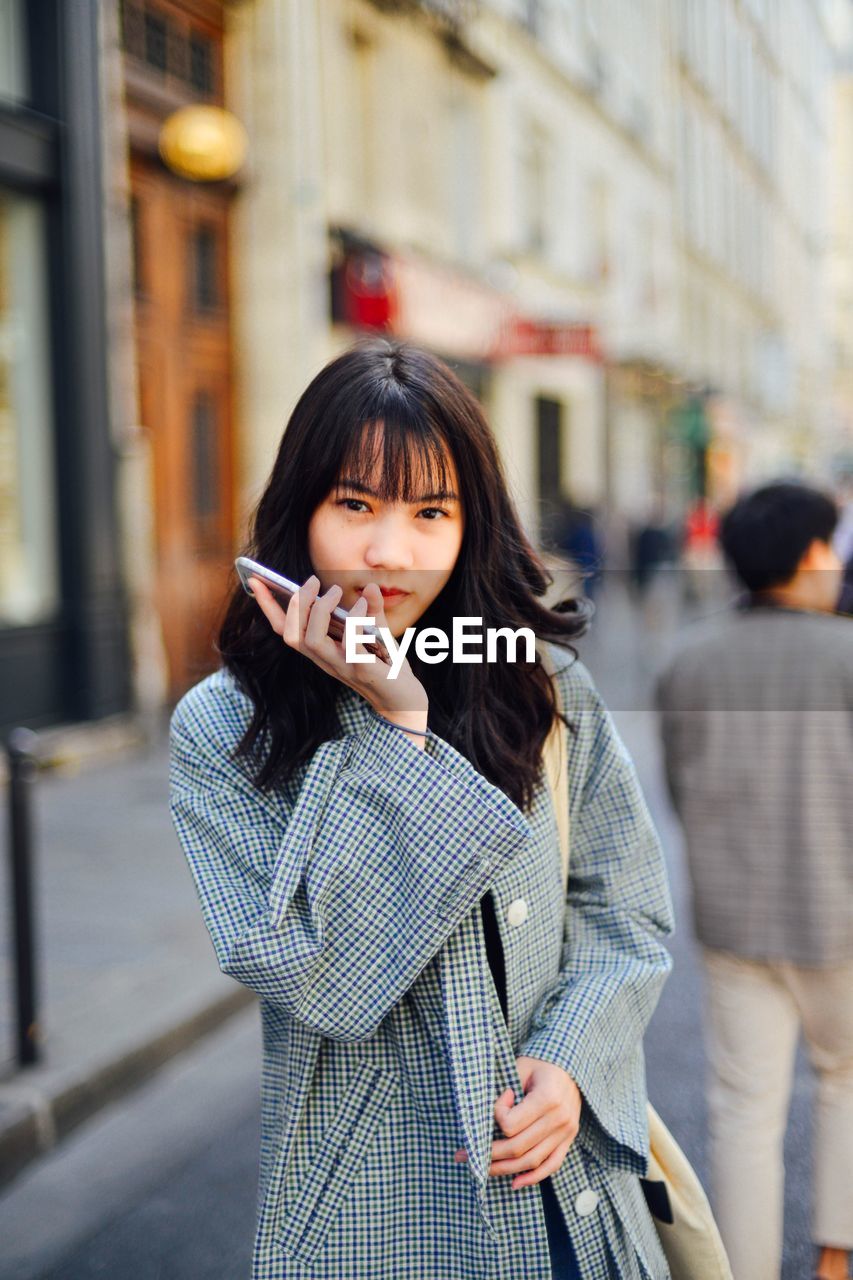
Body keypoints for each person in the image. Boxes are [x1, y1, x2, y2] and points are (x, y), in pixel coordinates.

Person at [169, 340, 675, 1280]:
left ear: (470, 524)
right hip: (379, 1206)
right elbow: (321, 980)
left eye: (429, 512)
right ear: (300, 509)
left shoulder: (540, 684)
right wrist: (394, 722)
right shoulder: (224, 727)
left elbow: (623, 913)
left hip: (562, 1193)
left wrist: (569, 1064)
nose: (387, 551)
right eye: (354, 504)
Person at [654, 480, 853, 1280]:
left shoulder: (686, 663)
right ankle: (835, 1260)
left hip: (732, 919)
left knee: (742, 1113)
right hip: (840, 918)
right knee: (843, 1083)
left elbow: (678, 788)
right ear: (809, 555)